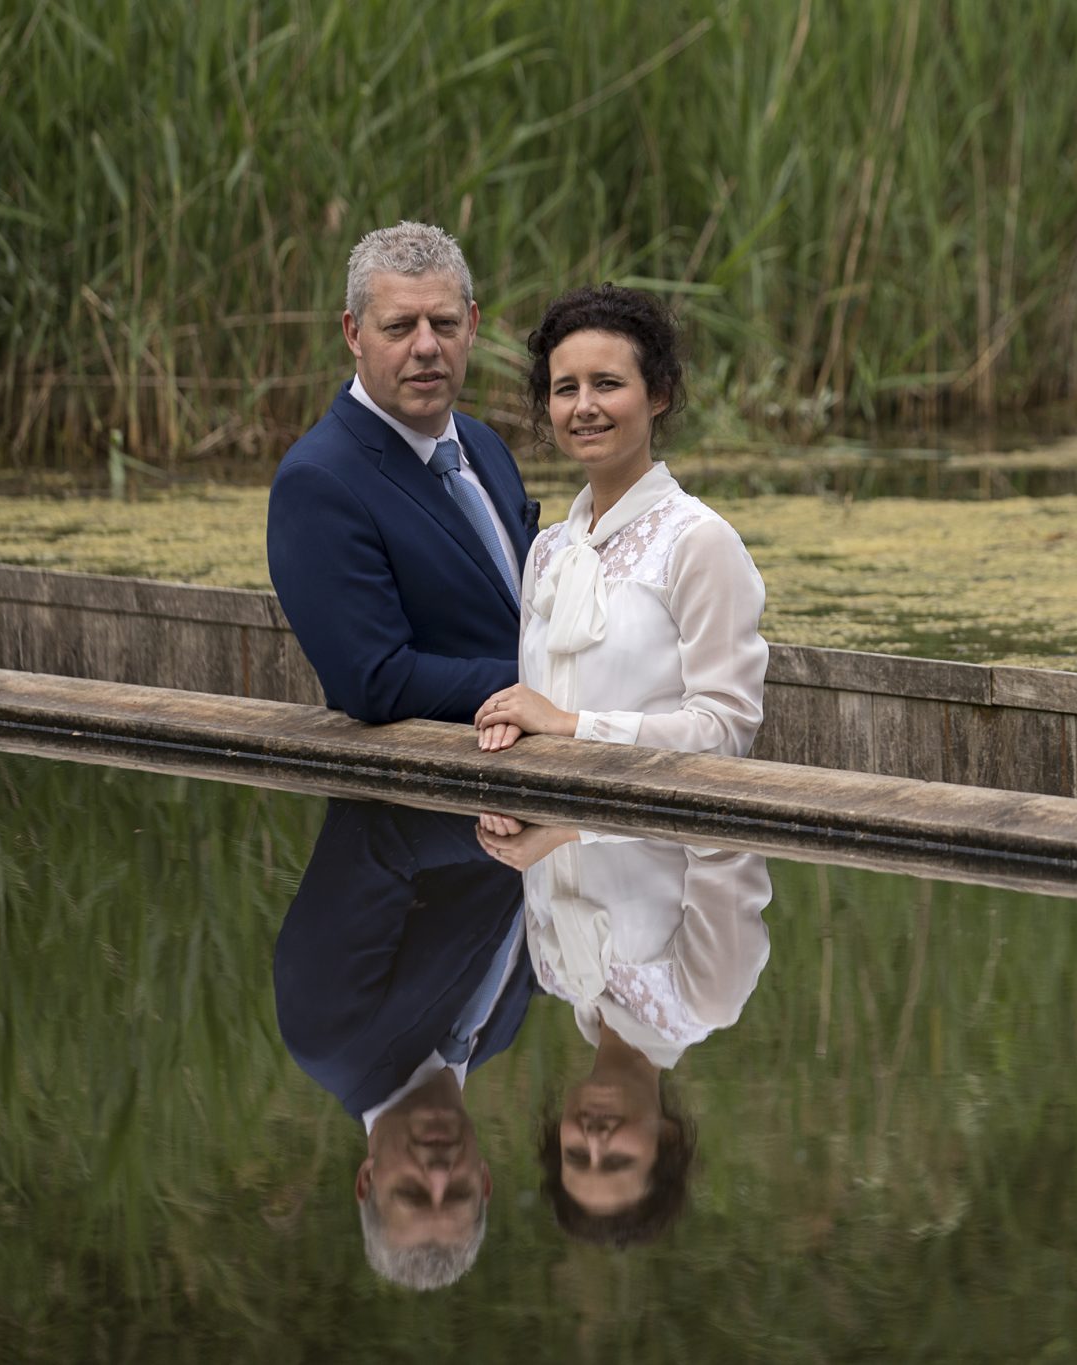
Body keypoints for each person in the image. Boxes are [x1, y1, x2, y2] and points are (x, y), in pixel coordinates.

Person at [468, 283, 766, 756]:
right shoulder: (546, 551)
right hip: (544, 824)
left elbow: (725, 732)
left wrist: (569, 725)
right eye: (566, 388)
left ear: (659, 395)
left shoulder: (699, 542)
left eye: (607, 383)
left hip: (655, 827)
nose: (584, 406)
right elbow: (533, 713)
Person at [268, 221, 540, 724]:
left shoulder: (485, 445)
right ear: (354, 333)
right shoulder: (317, 481)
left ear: (473, 325)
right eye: (399, 327)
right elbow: (375, 680)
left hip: (535, 777)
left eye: (444, 323)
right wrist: (546, 684)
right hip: (415, 791)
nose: (426, 346)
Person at [273, 799, 541, 1289]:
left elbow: (372, 837)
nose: (438, 1173)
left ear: (367, 1180)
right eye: (457, 1193)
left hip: (451, 745)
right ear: (483, 1180)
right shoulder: (498, 1034)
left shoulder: (326, 1032)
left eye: (413, 1193)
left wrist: (529, 831)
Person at [475, 816, 772, 1246]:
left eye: (577, 1155)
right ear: (667, 1140)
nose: (595, 1140)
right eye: (616, 1160)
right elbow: (721, 832)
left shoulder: (553, 973)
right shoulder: (709, 997)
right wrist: (572, 829)